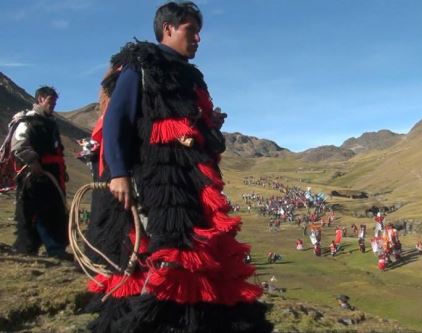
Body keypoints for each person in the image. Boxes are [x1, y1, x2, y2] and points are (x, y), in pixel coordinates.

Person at [84, 2, 272, 332]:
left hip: (191, 184)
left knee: (198, 254)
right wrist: (118, 173)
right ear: (168, 28)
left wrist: (207, 124)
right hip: (157, 183)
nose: (198, 37)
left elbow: (196, 132)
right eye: (191, 29)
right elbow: (117, 121)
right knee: (164, 256)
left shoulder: (192, 77)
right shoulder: (140, 66)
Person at [10, 86, 70, 260]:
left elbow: (56, 149)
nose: (54, 105)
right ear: (40, 99)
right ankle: (28, 247)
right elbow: (19, 144)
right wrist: (32, 161)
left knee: (54, 210)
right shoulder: (27, 121)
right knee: (33, 212)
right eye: (51, 101)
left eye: (55, 102)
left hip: (52, 176)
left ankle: (56, 248)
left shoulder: (51, 123)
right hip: (34, 176)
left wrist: (62, 169)